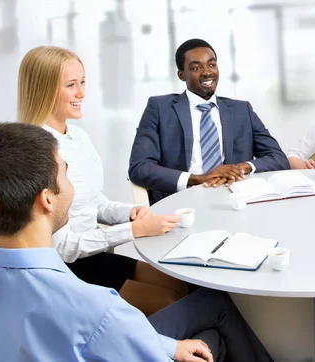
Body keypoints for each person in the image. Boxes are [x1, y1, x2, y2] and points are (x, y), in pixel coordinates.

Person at [0, 123, 274, 362]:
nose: (72, 185)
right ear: (46, 199)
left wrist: (171, 346)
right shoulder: (96, 308)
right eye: (66, 174)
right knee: (211, 333)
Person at [17, 46, 188, 316]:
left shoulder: (78, 137)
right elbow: (63, 247)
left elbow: (96, 202)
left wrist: (129, 214)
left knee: (179, 285)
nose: (81, 93)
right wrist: (135, 230)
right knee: (168, 301)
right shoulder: (34, 151)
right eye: (71, 85)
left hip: (92, 254)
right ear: (45, 88)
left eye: (82, 82)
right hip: (66, 268)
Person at [129, 38, 290, 204]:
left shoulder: (242, 110)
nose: (207, 72)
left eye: (212, 64)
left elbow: (278, 157)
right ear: (182, 75)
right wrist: (198, 179)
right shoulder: (159, 108)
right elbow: (139, 167)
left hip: (234, 199)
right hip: (182, 202)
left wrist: (240, 168)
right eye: (196, 67)